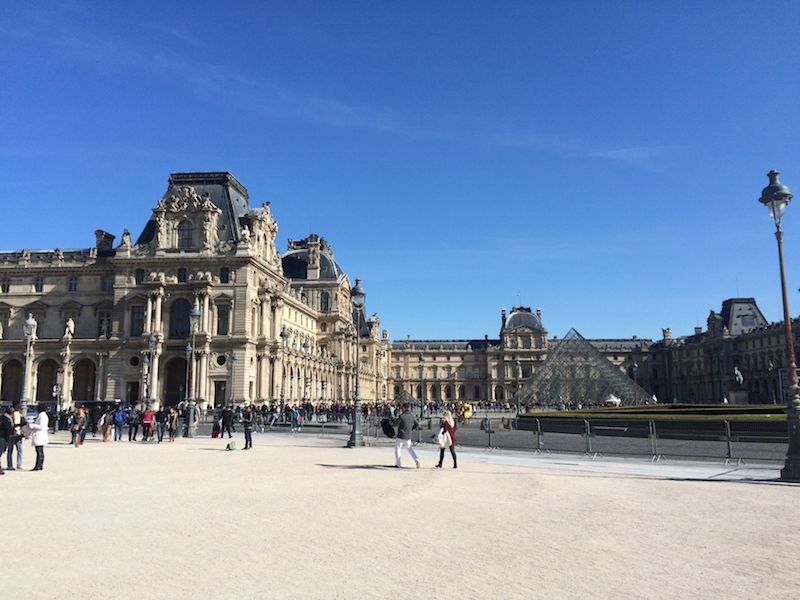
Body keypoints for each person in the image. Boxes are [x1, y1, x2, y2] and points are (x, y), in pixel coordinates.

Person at [393, 403, 420, 468]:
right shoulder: (412, 416)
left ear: (404, 408)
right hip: (408, 435)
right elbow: (417, 424)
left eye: (402, 408)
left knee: (398, 449)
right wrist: (411, 429)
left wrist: (394, 419)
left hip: (400, 435)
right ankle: (416, 459)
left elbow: (396, 423)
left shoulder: (402, 416)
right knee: (409, 449)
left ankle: (398, 464)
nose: (401, 409)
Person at [28, 403, 49, 471]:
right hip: (39, 435)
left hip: (39, 435)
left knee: (39, 451)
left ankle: (38, 465)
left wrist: (32, 425)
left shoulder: (42, 416)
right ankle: (40, 465)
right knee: (40, 451)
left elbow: (41, 426)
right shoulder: (42, 415)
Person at [7, 400, 25, 470]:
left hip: (18, 434)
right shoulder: (12, 413)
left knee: (20, 449)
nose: (20, 406)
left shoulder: (20, 413)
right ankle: (10, 465)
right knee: (10, 450)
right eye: (19, 405)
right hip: (12, 434)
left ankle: (19, 464)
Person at [0, 407, 13, 475]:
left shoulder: (3, 417)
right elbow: (7, 430)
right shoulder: (6, 419)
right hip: (2, 437)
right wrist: (7, 441)